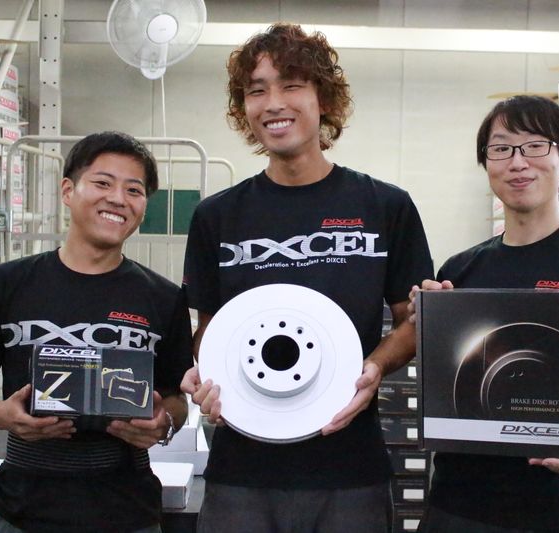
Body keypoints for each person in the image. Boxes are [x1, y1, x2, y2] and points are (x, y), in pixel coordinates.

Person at [179, 23, 433, 533]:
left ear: (324, 99)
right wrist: (203, 372)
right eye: (257, 91)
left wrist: (376, 366)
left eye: (291, 85)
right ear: (244, 109)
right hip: (241, 474)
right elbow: (209, 328)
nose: (273, 103)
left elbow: (414, 321)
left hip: (349, 470)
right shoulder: (216, 217)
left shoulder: (385, 207)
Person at [409, 95, 559, 533]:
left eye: (536, 146)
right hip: (457, 504)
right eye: (501, 148)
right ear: (487, 164)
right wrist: (427, 320)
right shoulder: (459, 270)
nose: (517, 162)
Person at [0, 131, 194, 533]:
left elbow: (175, 398)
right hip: (22, 510)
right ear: (67, 190)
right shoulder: (5, 284)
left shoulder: (164, 298)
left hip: (129, 512)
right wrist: (0, 414)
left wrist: (163, 423)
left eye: (134, 190)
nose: (118, 199)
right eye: (102, 183)